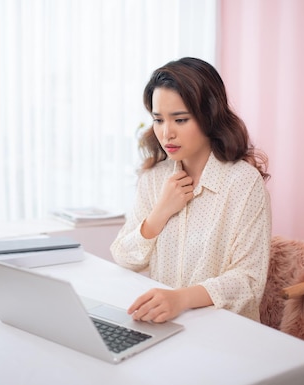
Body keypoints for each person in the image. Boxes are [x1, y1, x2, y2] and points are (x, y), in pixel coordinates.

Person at [110, 57, 271, 324]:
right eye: (158, 120)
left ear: (209, 117)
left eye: (180, 120)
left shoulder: (243, 182)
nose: (166, 133)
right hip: (165, 325)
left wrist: (180, 299)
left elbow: (249, 281)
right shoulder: (154, 178)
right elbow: (124, 257)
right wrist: (160, 213)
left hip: (226, 331)